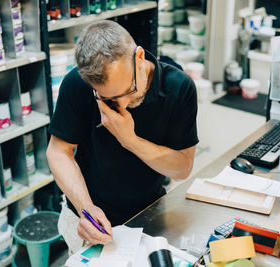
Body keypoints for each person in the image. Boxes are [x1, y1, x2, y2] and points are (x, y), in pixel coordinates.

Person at [46, 20, 199, 253]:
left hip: (149, 211)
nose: (123, 104)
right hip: (89, 216)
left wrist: (130, 140)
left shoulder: (179, 88)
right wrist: (86, 208)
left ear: (139, 58)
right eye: (108, 99)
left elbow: (182, 169)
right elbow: (58, 152)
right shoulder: (77, 84)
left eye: (127, 90)